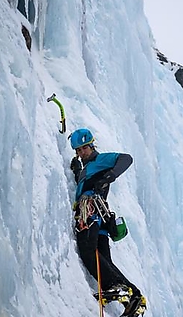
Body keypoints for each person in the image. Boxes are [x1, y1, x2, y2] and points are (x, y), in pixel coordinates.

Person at [69, 128, 146, 316]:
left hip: (92, 212)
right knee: (104, 259)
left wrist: (110, 176)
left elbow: (125, 158)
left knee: (88, 251)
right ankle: (134, 296)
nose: (81, 153)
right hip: (101, 218)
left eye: (84, 148)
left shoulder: (99, 160)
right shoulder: (87, 168)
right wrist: (77, 170)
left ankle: (117, 286)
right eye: (78, 150)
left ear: (91, 145)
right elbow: (86, 180)